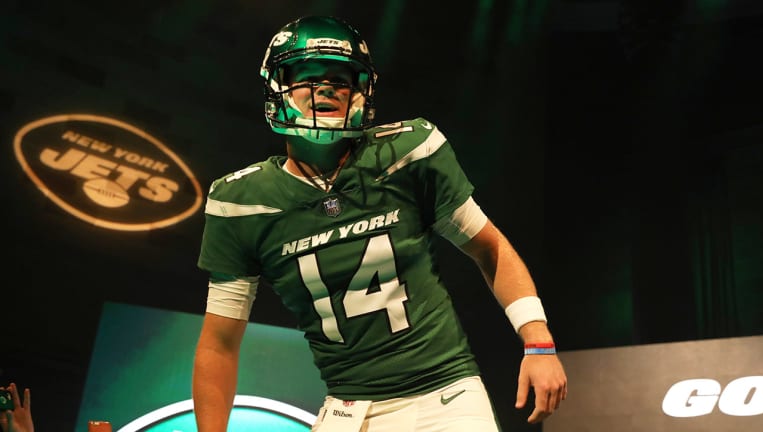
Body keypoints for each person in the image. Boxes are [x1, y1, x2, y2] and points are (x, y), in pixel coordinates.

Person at [192, 15, 567, 432]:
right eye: (309, 77)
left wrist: (538, 342)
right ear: (277, 87)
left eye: (340, 78)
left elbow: (489, 247)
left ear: (361, 91)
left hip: (444, 396)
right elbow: (219, 344)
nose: (327, 88)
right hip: (346, 407)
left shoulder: (408, 153)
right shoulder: (241, 202)